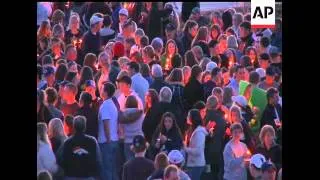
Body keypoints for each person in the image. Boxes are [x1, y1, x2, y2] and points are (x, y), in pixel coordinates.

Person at [58, 115, 102, 180]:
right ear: (85, 127)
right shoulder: (92, 141)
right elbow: (98, 160)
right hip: (88, 176)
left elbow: (60, 159)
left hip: (70, 175)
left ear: (74, 127)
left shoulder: (67, 142)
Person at [98, 82, 120, 180]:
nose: (100, 91)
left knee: (107, 169)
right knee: (113, 168)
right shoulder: (112, 104)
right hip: (114, 139)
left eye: (102, 89)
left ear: (106, 92)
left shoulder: (105, 106)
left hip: (106, 142)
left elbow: (106, 122)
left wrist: (108, 139)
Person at [202, 95, 226, 180]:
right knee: (216, 174)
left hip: (205, 151)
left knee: (206, 174)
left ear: (207, 104)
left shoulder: (203, 118)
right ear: (217, 105)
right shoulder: (221, 119)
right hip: (217, 150)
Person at [184, 109, 208, 180]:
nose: (187, 117)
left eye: (188, 116)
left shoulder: (199, 133)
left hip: (196, 164)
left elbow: (198, 151)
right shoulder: (191, 130)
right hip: (192, 163)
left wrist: (185, 148)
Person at [119, 95, 144, 162]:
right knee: (140, 161)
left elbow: (120, 128)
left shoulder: (123, 115)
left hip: (127, 141)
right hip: (139, 139)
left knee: (129, 163)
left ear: (126, 103)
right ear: (136, 103)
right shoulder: (141, 114)